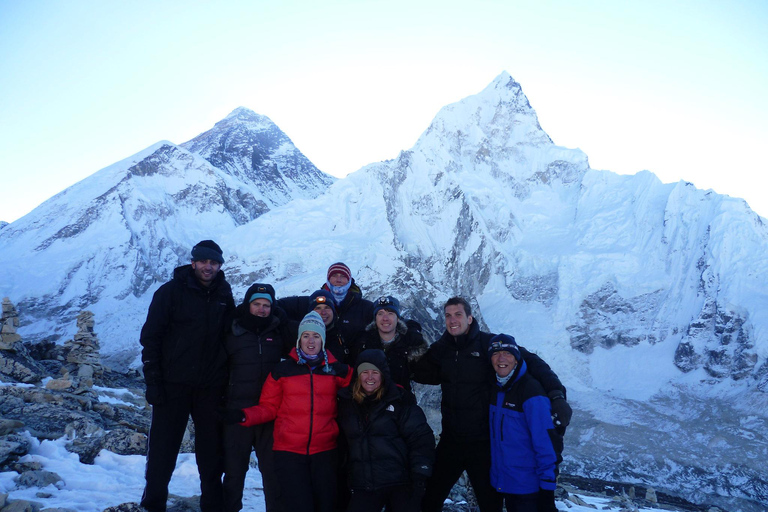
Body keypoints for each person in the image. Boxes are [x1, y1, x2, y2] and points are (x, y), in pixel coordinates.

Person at [412, 297, 570, 512]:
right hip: (451, 441)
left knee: (490, 505)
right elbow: (419, 372)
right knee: (429, 500)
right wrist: (410, 345)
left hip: (483, 444)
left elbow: (531, 362)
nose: (452, 320)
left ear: (469, 317)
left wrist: (556, 394)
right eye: (448, 316)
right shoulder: (442, 349)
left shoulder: (490, 345)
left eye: (458, 314)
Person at [222, 311, 353, 512]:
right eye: (306, 335)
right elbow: (269, 407)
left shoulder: (336, 370)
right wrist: (243, 415)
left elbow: (369, 385)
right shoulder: (282, 371)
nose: (311, 341)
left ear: (323, 340)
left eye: (316, 336)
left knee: (326, 505)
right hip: (289, 453)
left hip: (324, 452)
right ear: (299, 339)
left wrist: (395, 390)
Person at [139, 240, 235, 512]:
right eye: (203, 261)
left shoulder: (223, 294)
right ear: (193, 263)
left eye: (213, 262)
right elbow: (151, 338)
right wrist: (153, 382)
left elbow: (229, 336)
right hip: (173, 385)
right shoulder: (170, 292)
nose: (208, 267)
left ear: (219, 265)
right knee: (162, 449)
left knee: (211, 453)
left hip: (210, 387)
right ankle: (153, 503)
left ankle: (212, 505)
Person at [222, 283, 294, 512]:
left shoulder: (279, 331)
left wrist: (283, 317)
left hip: (270, 413)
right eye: (257, 304)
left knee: (272, 473)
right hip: (237, 412)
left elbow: (306, 343)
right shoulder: (231, 331)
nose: (262, 309)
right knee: (234, 471)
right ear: (248, 304)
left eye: (267, 305)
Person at [337, 349, 435, 512]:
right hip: (365, 484)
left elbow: (420, 437)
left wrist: (420, 474)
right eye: (364, 372)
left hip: (400, 482)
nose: (369, 377)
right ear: (357, 376)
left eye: (375, 372)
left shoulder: (399, 401)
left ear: (383, 375)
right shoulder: (347, 404)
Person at [487, 334, 558, 512]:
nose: (501, 358)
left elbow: (546, 445)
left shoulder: (532, 393)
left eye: (507, 353)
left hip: (527, 489)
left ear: (517, 359)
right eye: (496, 353)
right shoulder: (496, 388)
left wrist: (547, 490)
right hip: (504, 483)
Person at [277, 262, 374, 363]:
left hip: (349, 367)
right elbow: (276, 306)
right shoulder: (312, 301)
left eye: (343, 276)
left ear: (350, 280)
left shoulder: (364, 307)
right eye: (334, 275)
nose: (338, 280)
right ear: (328, 279)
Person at [350, 296, 428, 393]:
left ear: (398, 319)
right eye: (380, 314)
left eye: (390, 314)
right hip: (368, 402)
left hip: (401, 402)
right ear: (375, 319)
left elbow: (428, 375)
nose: (385, 318)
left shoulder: (410, 345)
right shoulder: (362, 344)